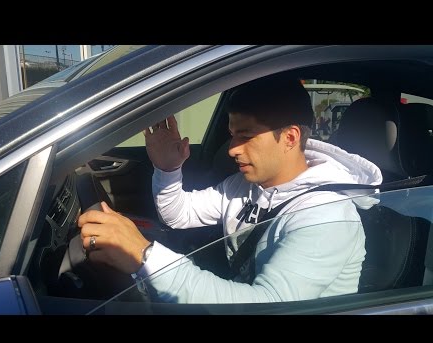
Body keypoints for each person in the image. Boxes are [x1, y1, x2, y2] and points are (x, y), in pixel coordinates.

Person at [78, 74, 382, 303]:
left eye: (245, 136)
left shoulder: (326, 217)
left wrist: (144, 256)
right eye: (232, 135)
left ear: (290, 138)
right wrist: (168, 168)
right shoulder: (244, 185)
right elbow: (179, 214)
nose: (233, 149)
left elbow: (265, 306)